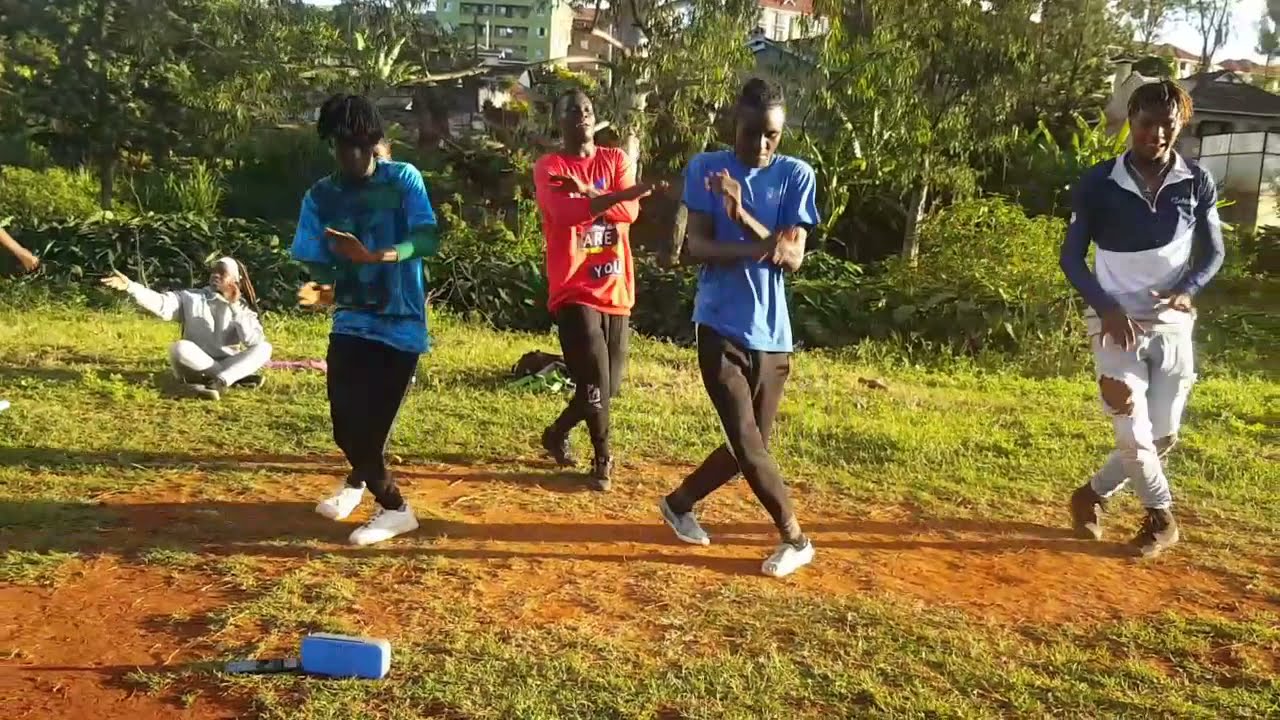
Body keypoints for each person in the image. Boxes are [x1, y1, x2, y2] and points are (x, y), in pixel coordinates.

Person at [657, 78, 820, 578]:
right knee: (748, 443)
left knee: (749, 447)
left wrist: (741, 214)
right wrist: (758, 245)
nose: (762, 145)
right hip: (719, 326)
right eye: (752, 134)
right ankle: (796, 538)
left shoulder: (796, 175)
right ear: (736, 126)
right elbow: (697, 249)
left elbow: (792, 257)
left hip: (773, 335)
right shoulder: (707, 168)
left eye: (772, 135)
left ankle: (678, 503)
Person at [1062, 80, 1224, 559]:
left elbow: (1214, 254)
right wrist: (1106, 307)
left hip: (1172, 326)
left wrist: (1186, 290)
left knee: (1161, 435)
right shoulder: (1097, 183)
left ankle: (1090, 495)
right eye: (1146, 123)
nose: (1155, 134)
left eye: (1166, 126)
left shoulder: (1196, 181)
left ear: (1180, 128)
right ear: (1131, 121)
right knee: (1131, 430)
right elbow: (1071, 259)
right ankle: (1161, 516)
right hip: (1114, 323)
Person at [292, 94, 439, 546]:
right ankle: (375, 496)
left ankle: (393, 507)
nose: (353, 156)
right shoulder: (321, 195)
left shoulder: (403, 180)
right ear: (331, 145)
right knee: (344, 425)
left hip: (402, 325)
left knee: (370, 430)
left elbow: (427, 236)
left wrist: (378, 254)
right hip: (352, 321)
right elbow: (312, 257)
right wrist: (322, 282)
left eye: (361, 145)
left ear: (375, 142)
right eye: (342, 146)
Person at [532, 89, 665, 491]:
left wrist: (592, 193)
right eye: (572, 111)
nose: (582, 117)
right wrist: (616, 197)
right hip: (573, 286)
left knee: (609, 384)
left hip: (615, 284)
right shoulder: (550, 166)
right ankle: (603, 457)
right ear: (559, 120)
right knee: (593, 377)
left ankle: (556, 433)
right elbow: (563, 212)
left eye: (588, 110)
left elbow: (630, 212)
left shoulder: (615, 160)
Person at [101, 258, 271, 400]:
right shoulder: (191, 297)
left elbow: (253, 341)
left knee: (265, 348)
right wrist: (131, 287)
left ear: (235, 280)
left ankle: (219, 382)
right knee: (179, 347)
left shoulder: (242, 307)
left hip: (226, 362)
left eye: (222, 273)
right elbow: (161, 304)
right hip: (194, 365)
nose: (215, 276)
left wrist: (234, 306)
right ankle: (232, 378)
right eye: (213, 271)